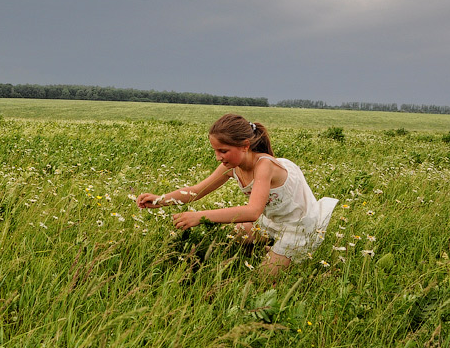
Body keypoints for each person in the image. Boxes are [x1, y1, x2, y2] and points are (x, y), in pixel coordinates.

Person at [136, 113, 337, 274]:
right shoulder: (232, 166)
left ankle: (283, 255)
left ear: (245, 146)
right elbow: (197, 191)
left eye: (223, 150)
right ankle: (268, 248)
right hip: (272, 222)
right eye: (215, 151)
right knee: (233, 237)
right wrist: (160, 200)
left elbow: (253, 211)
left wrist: (200, 217)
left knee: (263, 278)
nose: (217, 157)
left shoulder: (264, 165)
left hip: (298, 228)